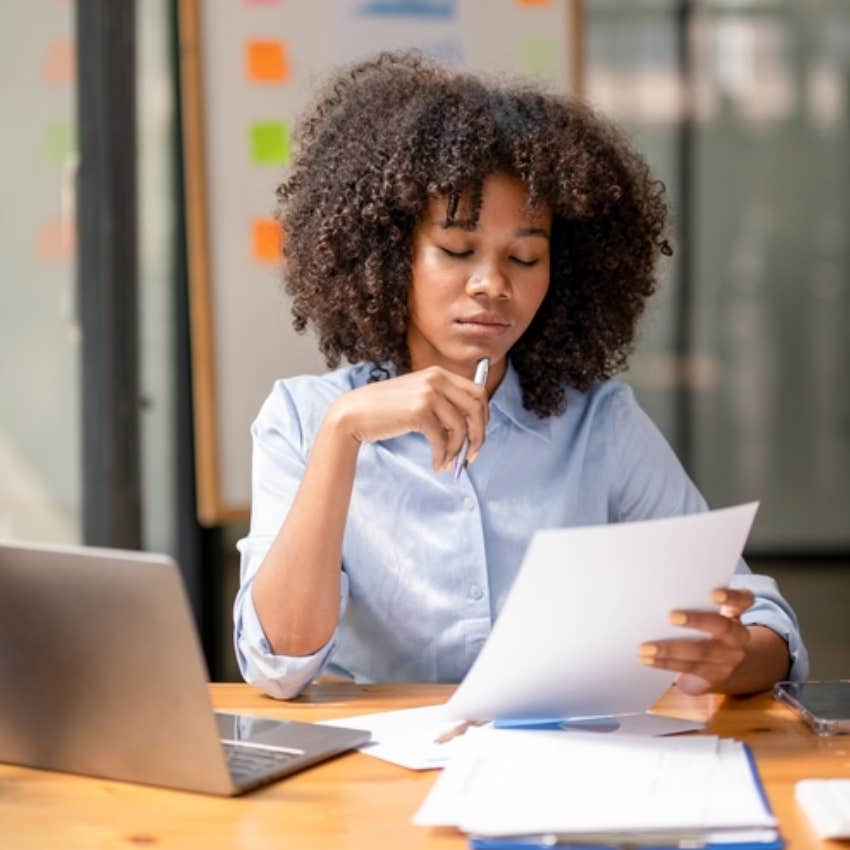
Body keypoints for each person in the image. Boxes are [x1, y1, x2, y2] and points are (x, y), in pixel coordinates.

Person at [234, 52, 808, 701]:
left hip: (561, 767)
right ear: (391, 254)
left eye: (526, 256)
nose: (493, 285)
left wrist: (740, 658)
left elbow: (759, 619)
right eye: (457, 250)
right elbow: (277, 665)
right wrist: (342, 434)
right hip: (365, 781)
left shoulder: (599, 424)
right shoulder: (306, 418)